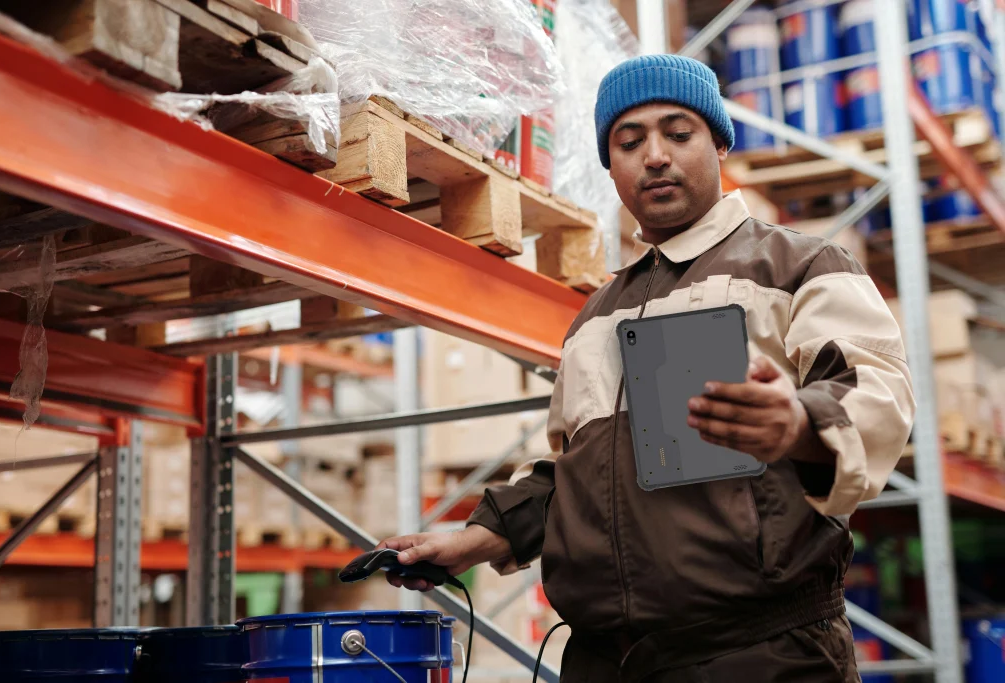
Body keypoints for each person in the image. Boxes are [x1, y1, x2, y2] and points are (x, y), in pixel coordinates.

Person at [377, 54, 916, 683]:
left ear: (718, 143)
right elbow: (577, 472)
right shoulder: (595, 317)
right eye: (628, 143)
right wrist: (478, 537)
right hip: (608, 663)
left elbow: (877, 396)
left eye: (678, 133)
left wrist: (797, 423)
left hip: (760, 657)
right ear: (611, 167)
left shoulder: (799, 267)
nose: (654, 156)